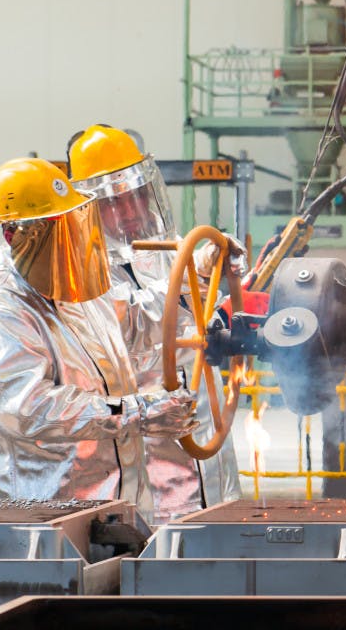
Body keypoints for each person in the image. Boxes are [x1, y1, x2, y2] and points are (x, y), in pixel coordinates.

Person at [0, 158, 197, 517]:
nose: (74, 243)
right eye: (58, 231)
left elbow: (131, 322)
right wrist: (138, 412)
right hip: (42, 516)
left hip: (114, 508)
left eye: (74, 224)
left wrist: (192, 282)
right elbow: (34, 409)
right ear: (14, 234)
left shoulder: (68, 285)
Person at [67, 125, 242, 520]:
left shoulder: (166, 252)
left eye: (135, 197)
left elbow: (198, 320)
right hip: (149, 481)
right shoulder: (78, 276)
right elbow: (130, 325)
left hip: (213, 470)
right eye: (114, 203)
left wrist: (224, 280)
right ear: (87, 209)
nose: (130, 213)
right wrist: (192, 283)